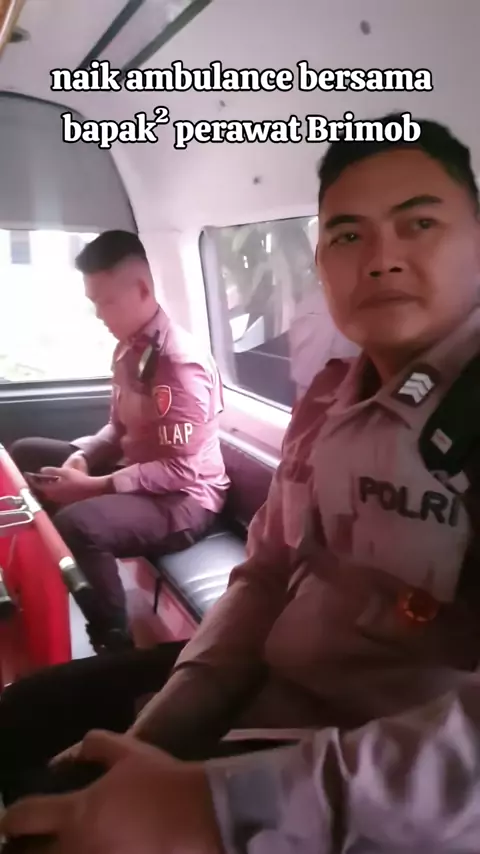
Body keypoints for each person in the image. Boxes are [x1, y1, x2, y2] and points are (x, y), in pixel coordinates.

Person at [2, 112, 480, 851]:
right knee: (23, 717)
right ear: (322, 263)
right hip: (263, 686)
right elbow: (263, 578)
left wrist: (216, 807)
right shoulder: (328, 401)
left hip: (365, 776)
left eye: (419, 224)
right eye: (348, 235)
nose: (381, 259)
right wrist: (161, 725)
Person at [9, 230, 230, 653]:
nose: (98, 314)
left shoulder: (178, 363)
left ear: (143, 290)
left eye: (106, 302)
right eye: (93, 302)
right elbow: (117, 428)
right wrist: (83, 456)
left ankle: (114, 642)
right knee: (26, 453)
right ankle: (49, 578)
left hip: (186, 500)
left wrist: (92, 487)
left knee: (78, 524)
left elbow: (181, 470)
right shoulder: (129, 349)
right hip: (142, 472)